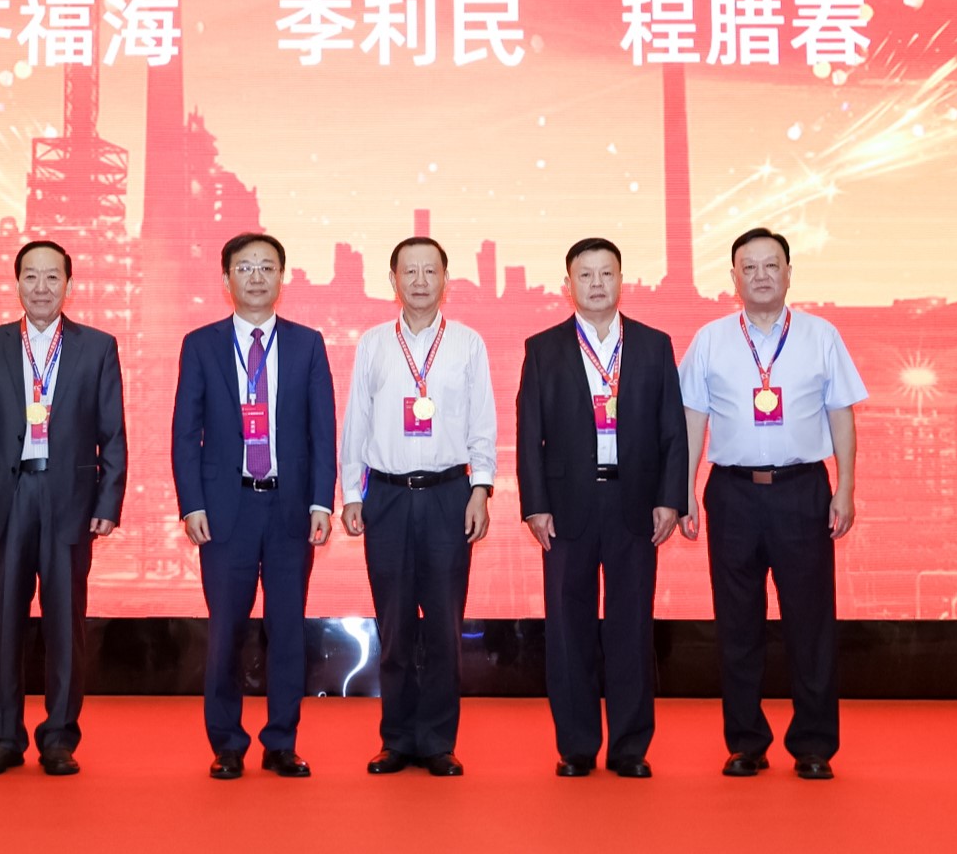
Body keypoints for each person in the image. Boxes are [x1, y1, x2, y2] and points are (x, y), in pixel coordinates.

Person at [679, 227, 866, 780]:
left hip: (802, 490)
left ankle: (813, 745)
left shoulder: (821, 335)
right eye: (749, 267)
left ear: (788, 273)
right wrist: (683, 490)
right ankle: (746, 742)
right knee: (737, 623)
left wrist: (846, 486)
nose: (761, 275)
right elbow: (692, 419)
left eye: (771, 265)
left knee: (810, 622)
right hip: (732, 493)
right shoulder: (710, 339)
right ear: (733, 278)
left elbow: (841, 414)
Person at [0, 238, 127, 776]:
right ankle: (4, 737)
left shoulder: (98, 347)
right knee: (3, 621)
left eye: (53, 277)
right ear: (16, 283)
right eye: (31, 276)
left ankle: (58, 737)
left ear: (68, 284)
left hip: (69, 499)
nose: (42, 287)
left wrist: (109, 499)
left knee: (65, 624)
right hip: (7, 499)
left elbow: (113, 434)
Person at [516, 237, 687, 778]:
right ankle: (577, 746)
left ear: (621, 280)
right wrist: (535, 505)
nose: (596, 284)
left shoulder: (654, 345)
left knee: (631, 626)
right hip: (567, 506)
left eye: (606, 273)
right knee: (568, 627)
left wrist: (670, 498)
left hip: (634, 502)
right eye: (585, 275)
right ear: (567, 285)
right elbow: (529, 435)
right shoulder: (543, 348)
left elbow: (672, 431)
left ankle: (631, 747)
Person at [171, 232, 338, 779]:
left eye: (267, 266)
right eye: (245, 268)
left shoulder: (307, 344)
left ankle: (281, 741)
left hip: (289, 508)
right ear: (226, 280)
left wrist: (321, 501)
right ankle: (226, 743)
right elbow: (185, 433)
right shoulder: (201, 344)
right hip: (226, 510)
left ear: (281, 278)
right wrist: (192, 503)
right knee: (226, 631)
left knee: (287, 630)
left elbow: (322, 431)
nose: (257, 276)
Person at [340, 236, 497, 777]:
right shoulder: (373, 344)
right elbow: (356, 422)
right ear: (393, 281)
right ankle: (397, 739)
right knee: (395, 624)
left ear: (445, 279)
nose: (420, 281)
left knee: (445, 626)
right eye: (410, 271)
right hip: (386, 496)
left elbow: (482, 422)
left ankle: (437, 742)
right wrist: (352, 493)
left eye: (431, 271)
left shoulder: (468, 344)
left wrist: (481, 489)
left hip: (449, 495)